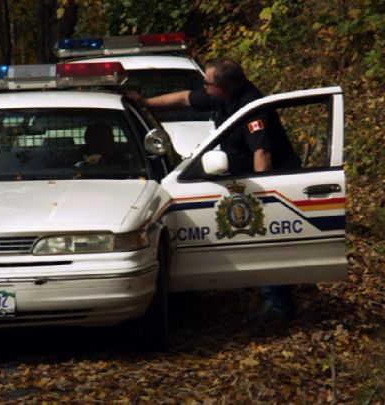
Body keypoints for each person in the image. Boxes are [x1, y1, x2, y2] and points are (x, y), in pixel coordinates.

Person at [126, 57, 299, 320]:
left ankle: (280, 307)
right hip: (244, 181)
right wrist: (146, 103)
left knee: (267, 243)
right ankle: (272, 300)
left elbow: (262, 153)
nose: (203, 87)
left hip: (272, 184)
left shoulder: (252, 109)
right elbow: (185, 98)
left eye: (207, 83)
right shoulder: (219, 96)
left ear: (224, 86)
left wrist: (266, 196)